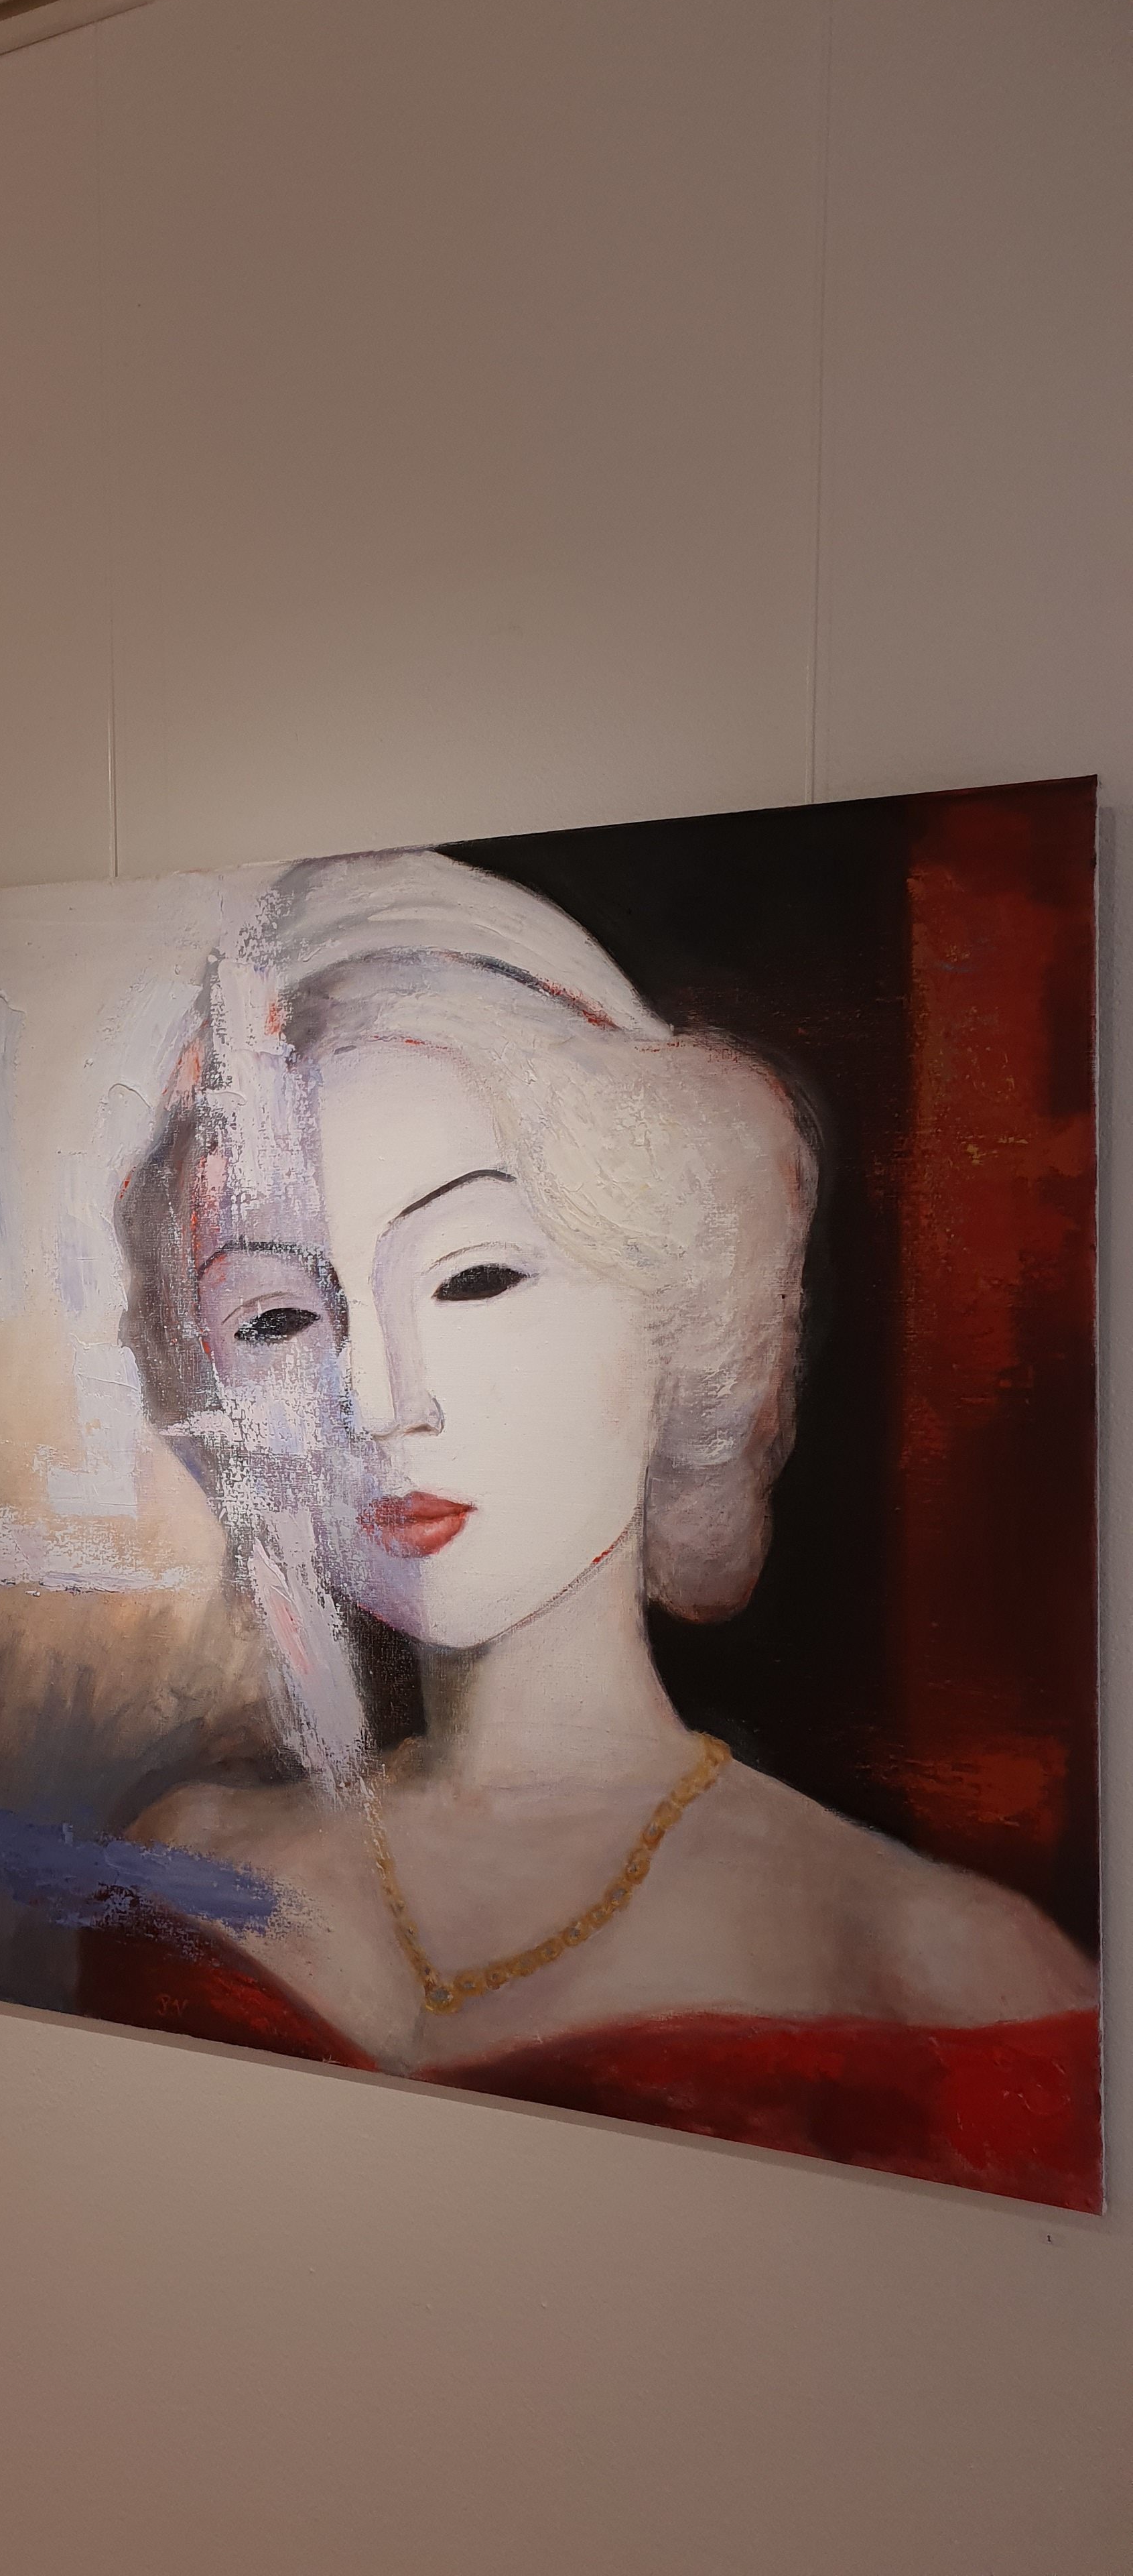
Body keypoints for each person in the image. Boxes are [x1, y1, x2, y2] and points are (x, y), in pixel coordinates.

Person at [90, 851, 1098, 2205]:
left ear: (673, 1315)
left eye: (477, 1276)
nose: (380, 1400)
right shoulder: (182, 1863)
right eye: (278, 1316)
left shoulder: (946, 1970)